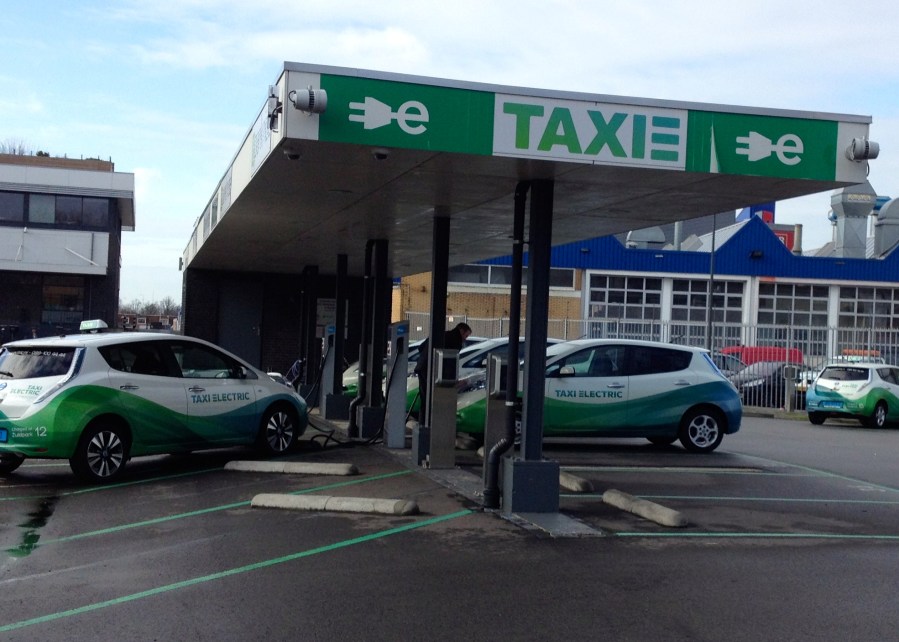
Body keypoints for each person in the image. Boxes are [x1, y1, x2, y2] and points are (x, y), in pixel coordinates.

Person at [414, 322, 472, 421]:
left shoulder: (442, 335)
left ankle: (423, 423)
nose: (465, 338)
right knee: (433, 399)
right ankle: (431, 423)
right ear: (461, 331)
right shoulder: (456, 340)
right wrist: (452, 380)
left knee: (425, 398)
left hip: (422, 367)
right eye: (466, 335)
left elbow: (420, 348)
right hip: (434, 372)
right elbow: (450, 362)